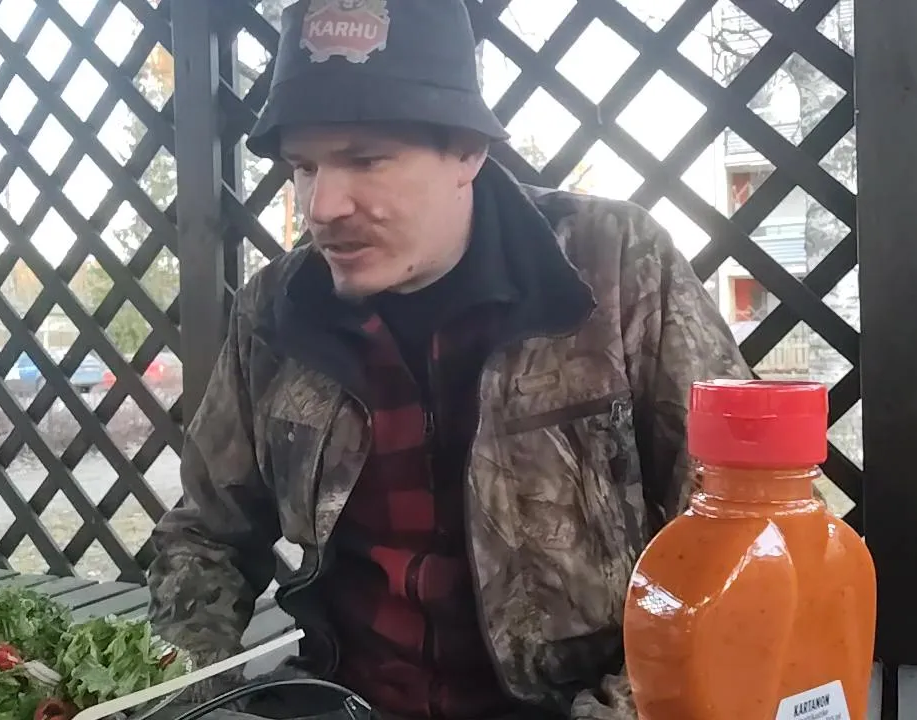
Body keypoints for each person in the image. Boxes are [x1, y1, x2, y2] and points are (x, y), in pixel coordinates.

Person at [146, 0, 752, 718]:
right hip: (340, 699)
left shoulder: (615, 267)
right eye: (303, 166)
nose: (321, 205)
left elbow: (741, 528)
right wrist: (190, 691)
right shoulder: (276, 312)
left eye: (366, 159)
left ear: (467, 152)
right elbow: (207, 533)